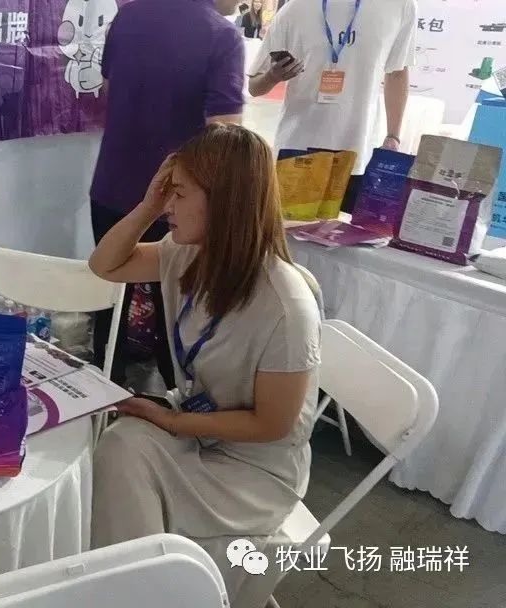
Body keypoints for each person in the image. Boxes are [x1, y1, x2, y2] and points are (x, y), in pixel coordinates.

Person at [88, 124, 321, 552]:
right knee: (120, 446)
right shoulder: (188, 254)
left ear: (225, 201)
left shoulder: (286, 308)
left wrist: (173, 421)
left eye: (178, 194)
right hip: (200, 433)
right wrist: (146, 207)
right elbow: (105, 265)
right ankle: (141, 574)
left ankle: (138, 574)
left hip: (252, 470)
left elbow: (271, 424)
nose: (168, 206)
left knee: (122, 459)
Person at [89, 0, 245, 390]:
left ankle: (104, 391)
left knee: (109, 295)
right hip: (175, 200)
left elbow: (108, 87)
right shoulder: (222, 35)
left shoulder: (129, 15)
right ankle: (176, 399)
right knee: (176, 308)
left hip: (112, 182)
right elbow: (224, 137)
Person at [248, 0, 418, 170]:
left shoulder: (401, 5)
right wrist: (272, 77)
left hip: (359, 151)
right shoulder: (295, 7)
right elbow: (254, 87)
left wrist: (393, 136)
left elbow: (397, 72)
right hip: (297, 150)